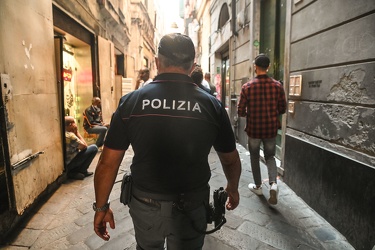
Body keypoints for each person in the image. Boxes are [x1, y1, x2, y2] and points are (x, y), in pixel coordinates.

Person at [93, 33, 241, 249]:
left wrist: (101, 207)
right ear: (192, 65)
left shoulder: (131, 102)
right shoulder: (212, 106)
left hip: (145, 203)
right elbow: (230, 159)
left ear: (157, 62)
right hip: (191, 204)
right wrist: (233, 188)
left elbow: (108, 163)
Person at [237, 53, 286, 205]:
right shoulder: (278, 86)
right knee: (270, 156)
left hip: (254, 129)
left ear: (255, 67)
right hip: (271, 129)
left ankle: (258, 186)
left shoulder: (247, 87)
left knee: (254, 156)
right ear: (268, 67)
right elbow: (282, 109)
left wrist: (252, 113)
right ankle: (273, 184)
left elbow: (240, 111)